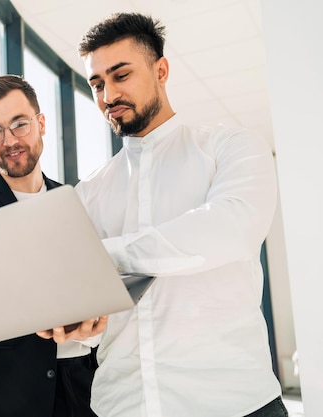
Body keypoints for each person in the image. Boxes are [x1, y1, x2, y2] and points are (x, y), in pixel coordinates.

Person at [47, 12, 286, 417]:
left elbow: (230, 228)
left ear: (161, 70)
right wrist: (76, 329)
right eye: (97, 83)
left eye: (121, 75)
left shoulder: (230, 147)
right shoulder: (86, 194)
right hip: (123, 405)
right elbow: (86, 314)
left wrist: (105, 255)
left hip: (234, 403)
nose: (107, 95)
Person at [0, 74, 105, 417]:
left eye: (19, 125)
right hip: (12, 397)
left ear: (41, 124)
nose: (9, 140)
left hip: (86, 387)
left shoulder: (75, 200)